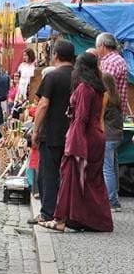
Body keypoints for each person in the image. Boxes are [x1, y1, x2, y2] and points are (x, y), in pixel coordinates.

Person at [40, 52, 113, 232]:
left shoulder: (84, 89)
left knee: (72, 179)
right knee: (92, 182)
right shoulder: (98, 88)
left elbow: (80, 119)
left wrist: (72, 144)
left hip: (84, 138)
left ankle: (61, 220)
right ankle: (91, 220)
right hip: (96, 136)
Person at [30, 40, 75, 225]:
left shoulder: (52, 77)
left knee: (48, 174)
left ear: (55, 54)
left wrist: (35, 130)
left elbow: (43, 105)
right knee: (70, 176)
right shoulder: (79, 76)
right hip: (73, 133)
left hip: (53, 132)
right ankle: (68, 213)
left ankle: (48, 213)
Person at [101, 72, 125, 212]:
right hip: (117, 135)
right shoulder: (116, 97)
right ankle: (114, 194)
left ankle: (112, 201)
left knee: (107, 168)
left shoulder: (106, 97)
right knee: (114, 166)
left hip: (108, 136)